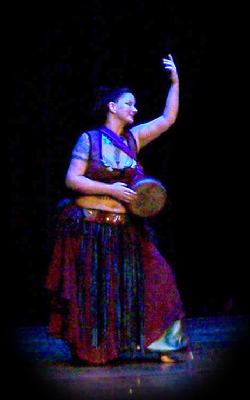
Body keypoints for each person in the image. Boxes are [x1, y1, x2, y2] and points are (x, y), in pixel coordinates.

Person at [45, 54, 193, 365]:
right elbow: (72, 180)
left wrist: (176, 83)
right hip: (91, 229)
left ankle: (164, 344)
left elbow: (168, 119)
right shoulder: (90, 139)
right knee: (97, 294)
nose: (135, 109)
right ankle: (94, 350)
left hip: (126, 230)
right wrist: (110, 189)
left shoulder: (134, 138)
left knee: (159, 279)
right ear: (113, 107)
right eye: (130, 104)